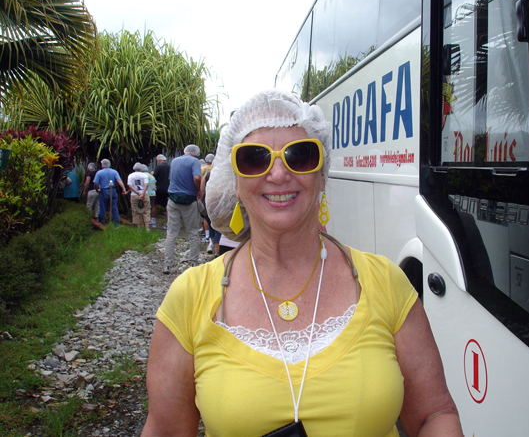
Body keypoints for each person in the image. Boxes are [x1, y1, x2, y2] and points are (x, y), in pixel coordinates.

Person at [142, 90, 462, 437]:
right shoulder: (189, 297)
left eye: (300, 156)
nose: (278, 174)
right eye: (254, 158)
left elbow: (434, 413)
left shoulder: (386, 282)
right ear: (234, 179)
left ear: (322, 175)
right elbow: (166, 429)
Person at [162, 145, 202, 274]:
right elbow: (196, 178)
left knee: (171, 233)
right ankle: (193, 263)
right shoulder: (195, 161)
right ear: (195, 153)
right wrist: (198, 189)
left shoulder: (174, 161)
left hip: (173, 199)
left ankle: (167, 265)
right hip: (189, 200)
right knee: (193, 232)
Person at [93, 159, 126, 226]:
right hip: (113, 190)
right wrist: (123, 189)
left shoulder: (99, 172)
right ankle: (116, 224)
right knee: (114, 208)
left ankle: (102, 223)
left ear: (102, 164)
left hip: (103, 191)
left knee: (102, 207)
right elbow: (119, 180)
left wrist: (97, 190)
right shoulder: (114, 172)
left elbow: (95, 183)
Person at [127, 163, 151, 231]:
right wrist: (142, 194)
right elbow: (146, 185)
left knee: (135, 211)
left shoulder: (130, 176)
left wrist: (138, 193)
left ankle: (138, 228)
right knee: (146, 211)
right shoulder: (144, 175)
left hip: (134, 194)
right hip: (144, 194)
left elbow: (130, 185)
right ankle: (147, 228)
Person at [152, 154, 170, 230]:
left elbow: (154, 177)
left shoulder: (158, 167)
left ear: (159, 160)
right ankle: (168, 223)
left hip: (159, 188)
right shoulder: (170, 167)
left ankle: (153, 221)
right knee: (167, 206)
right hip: (168, 188)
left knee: (154, 204)